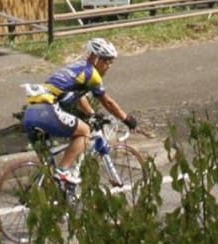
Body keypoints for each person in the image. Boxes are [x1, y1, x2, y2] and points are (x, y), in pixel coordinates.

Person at [22, 37, 137, 185]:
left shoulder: (77, 68)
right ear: (95, 58)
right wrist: (127, 119)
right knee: (84, 131)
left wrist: (92, 114)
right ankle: (63, 171)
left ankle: (39, 195)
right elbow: (107, 102)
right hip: (47, 109)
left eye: (111, 62)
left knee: (49, 169)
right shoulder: (92, 74)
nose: (109, 66)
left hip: (31, 112)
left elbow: (78, 97)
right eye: (106, 61)